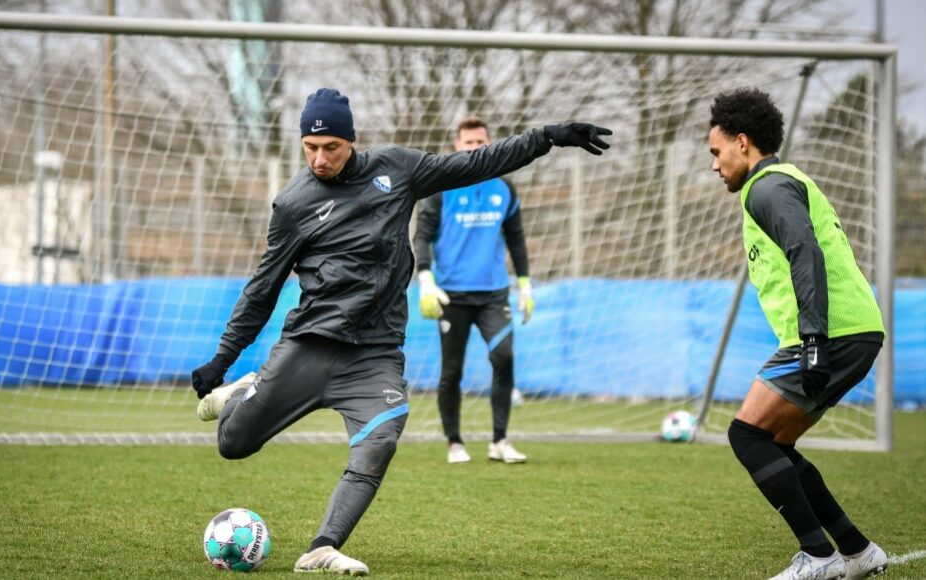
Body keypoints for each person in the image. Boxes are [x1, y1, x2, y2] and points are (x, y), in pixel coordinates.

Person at [191, 87, 612, 576]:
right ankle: (244, 390)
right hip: (310, 343)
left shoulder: (397, 168)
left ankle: (322, 549)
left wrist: (546, 138)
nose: (320, 159)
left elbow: (473, 166)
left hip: (375, 354)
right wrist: (223, 360)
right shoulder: (292, 205)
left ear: (352, 140)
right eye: (310, 148)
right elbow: (262, 289)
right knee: (233, 444)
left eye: (331, 147)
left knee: (382, 440)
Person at [708, 87, 887, 580]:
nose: (715, 164)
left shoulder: (766, 187)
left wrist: (811, 341)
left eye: (716, 152)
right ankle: (855, 550)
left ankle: (819, 556)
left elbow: (804, 251)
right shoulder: (781, 181)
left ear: (742, 142)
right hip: (851, 330)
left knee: (746, 435)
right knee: (774, 443)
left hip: (832, 332)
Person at [413, 116, 533, 465]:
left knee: (504, 357)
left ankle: (500, 440)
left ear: (490, 144)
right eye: (469, 143)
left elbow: (516, 238)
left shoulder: (504, 189)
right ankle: (454, 442)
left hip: (494, 293)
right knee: (452, 371)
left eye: (481, 143)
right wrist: (425, 278)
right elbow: (422, 235)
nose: (475, 149)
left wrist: (524, 283)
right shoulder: (439, 188)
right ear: (457, 146)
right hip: (451, 295)